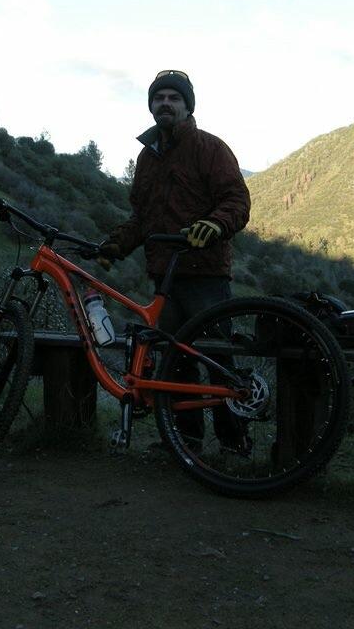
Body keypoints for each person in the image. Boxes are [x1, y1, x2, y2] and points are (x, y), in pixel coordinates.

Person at [98, 69, 251, 453]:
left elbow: (237, 201)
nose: (165, 103)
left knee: (219, 359)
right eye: (159, 98)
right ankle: (187, 441)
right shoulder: (147, 158)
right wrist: (115, 246)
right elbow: (142, 218)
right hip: (164, 279)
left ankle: (234, 443)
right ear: (151, 106)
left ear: (187, 106)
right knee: (174, 362)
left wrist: (213, 225)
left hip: (206, 275)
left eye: (174, 98)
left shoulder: (210, 148)